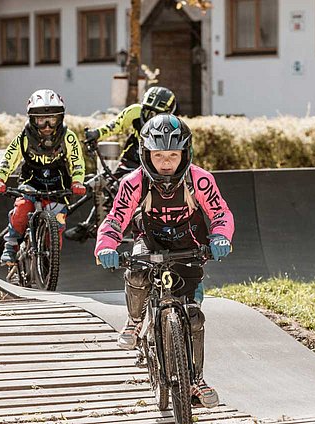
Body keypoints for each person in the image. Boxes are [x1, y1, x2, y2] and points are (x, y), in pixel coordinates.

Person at [94, 114, 234, 408]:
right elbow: (115, 219)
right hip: (149, 239)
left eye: (173, 154)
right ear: (146, 154)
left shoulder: (200, 179)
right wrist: (106, 246)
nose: (166, 162)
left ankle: (196, 380)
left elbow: (221, 213)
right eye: (158, 155)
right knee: (137, 273)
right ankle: (133, 321)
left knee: (194, 316)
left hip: (190, 244)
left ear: (186, 153)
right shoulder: (134, 183)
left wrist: (221, 237)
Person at [64, 86, 177, 242]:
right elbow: (114, 125)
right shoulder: (134, 111)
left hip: (153, 167)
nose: (149, 117)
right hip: (131, 159)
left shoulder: (174, 126)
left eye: (155, 114)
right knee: (105, 183)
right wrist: (96, 133)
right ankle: (88, 225)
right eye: (147, 111)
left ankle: (137, 225)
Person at [0, 89, 86, 265]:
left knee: (57, 223)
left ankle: (50, 258)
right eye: (41, 121)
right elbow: (8, 159)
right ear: (33, 120)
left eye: (52, 120)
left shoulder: (68, 137)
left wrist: (77, 181)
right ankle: (10, 247)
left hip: (58, 186)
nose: (47, 126)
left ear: (61, 118)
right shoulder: (23, 138)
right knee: (22, 208)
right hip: (31, 182)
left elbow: (77, 162)